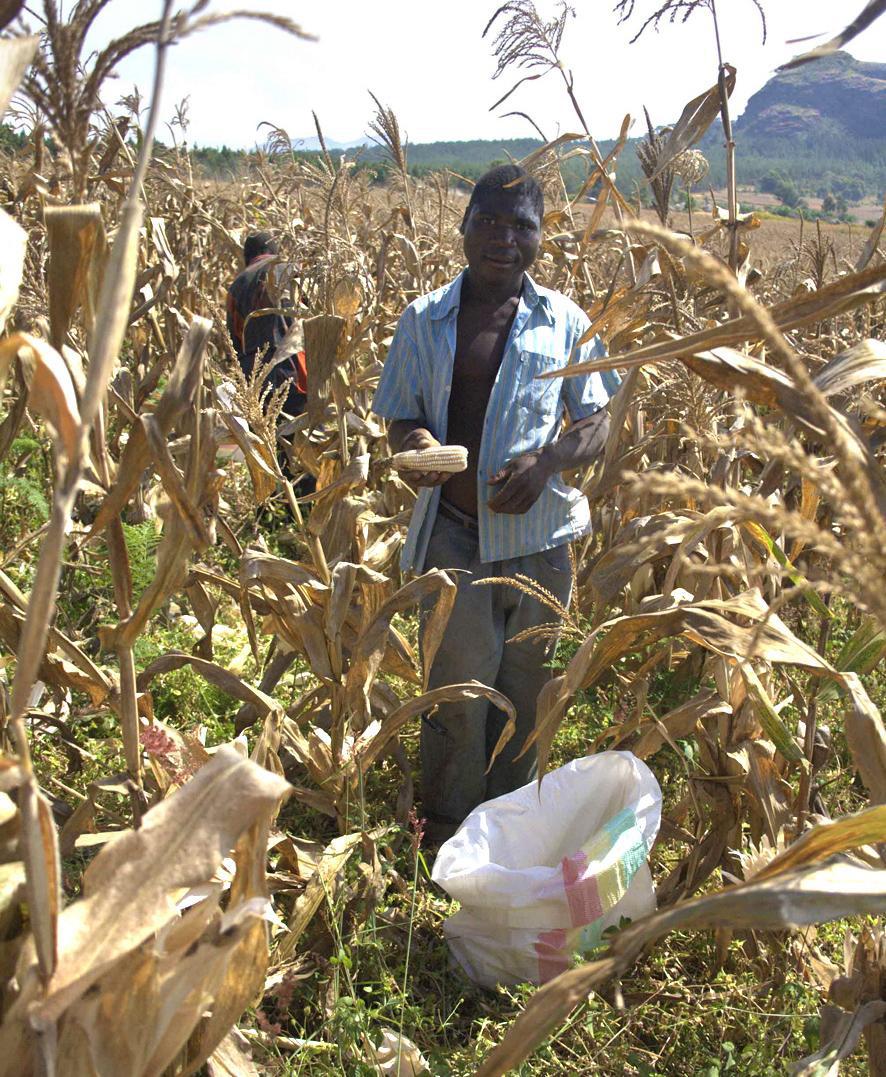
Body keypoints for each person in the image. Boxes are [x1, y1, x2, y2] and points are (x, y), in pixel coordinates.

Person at [371, 164, 621, 843]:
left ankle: (510, 836)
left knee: (527, 698)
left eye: (522, 225)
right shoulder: (423, 319)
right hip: (454, 543)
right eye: (488, 221)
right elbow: (398, 415)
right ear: (463, 227)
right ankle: (447, 836)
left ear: (542, 238)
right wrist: (417, 444)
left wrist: (547, 463)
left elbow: (597, 423)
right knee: (456, 700)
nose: (503, 237)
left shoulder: (568, 323)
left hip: (541, 549)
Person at [226, 231, 307, 418]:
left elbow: (235, 339)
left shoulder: (238, 284)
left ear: (247, 256)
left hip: (256, 378)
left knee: (264, 443)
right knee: (303, 440)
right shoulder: (294, 271)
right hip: (298, 373)